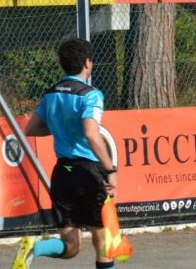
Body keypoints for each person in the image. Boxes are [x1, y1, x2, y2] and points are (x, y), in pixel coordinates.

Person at [12, 38, 120, 269]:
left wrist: (61, 124)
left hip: (62, 174)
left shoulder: (51, 94)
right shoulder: (91, 95)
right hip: (87, 173)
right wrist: (110, 170)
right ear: (87, 63)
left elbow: (31, 129)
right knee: (103, 241)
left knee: (70, 245)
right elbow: (91, 134)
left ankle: (35, 247)